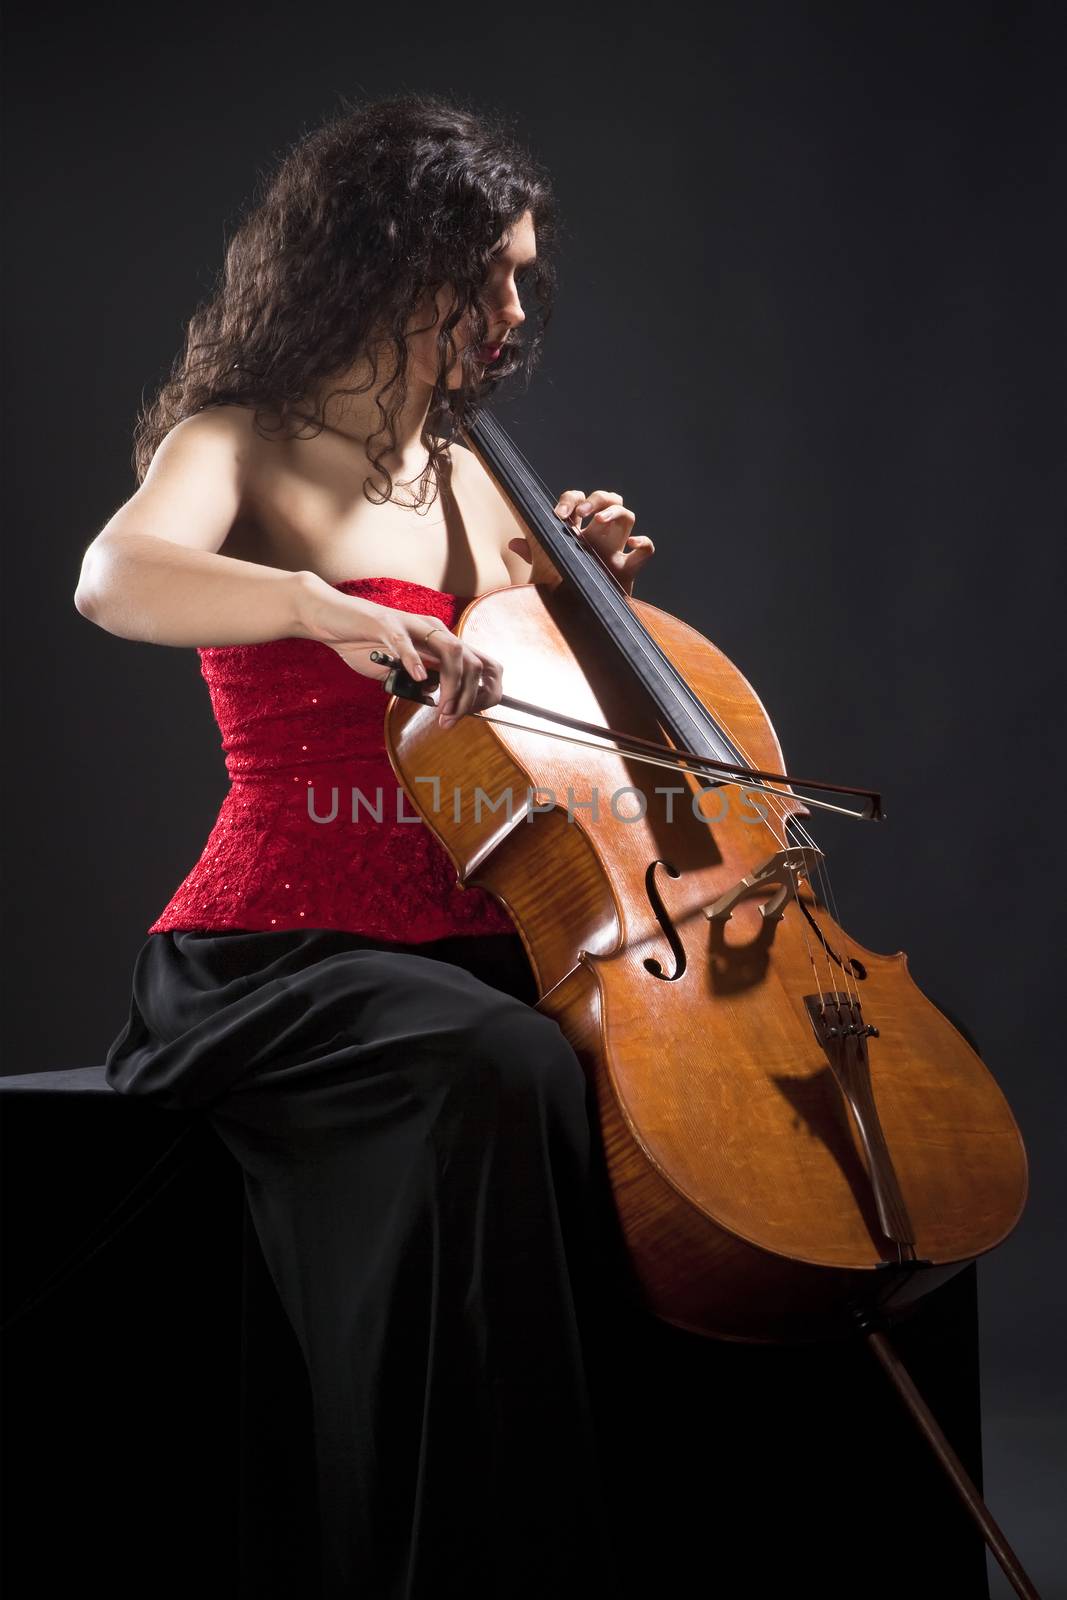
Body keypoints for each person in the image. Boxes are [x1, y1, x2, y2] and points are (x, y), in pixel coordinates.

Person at [74, 93, 654, 1600]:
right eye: (495, 273)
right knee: (507, 1067)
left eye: (526, 276)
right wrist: (326, 608)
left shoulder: (476, 475)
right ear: (399, 259)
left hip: (469, 933)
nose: (516, 311)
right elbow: (115, 579)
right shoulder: (240, 443)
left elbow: (536, 731)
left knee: (636, 1081)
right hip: (275, 951)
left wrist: (578, 593)